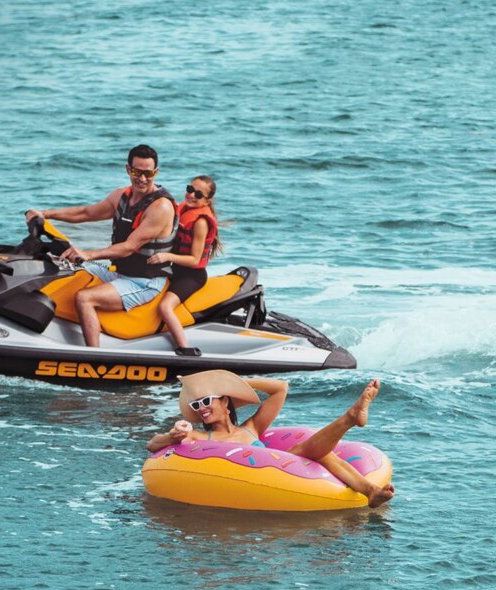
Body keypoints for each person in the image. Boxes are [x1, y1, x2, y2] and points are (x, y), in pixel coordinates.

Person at [146, 370, 396, 508]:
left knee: (312, 451)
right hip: (260, 478)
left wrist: (235, 383)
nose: (201, 408)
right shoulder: (199, 435)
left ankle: (370, 487)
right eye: (196, 405)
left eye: (206, 401)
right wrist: (172, 435)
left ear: (224, 400)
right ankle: (350, 421)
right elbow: (152, 445)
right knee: (309, 451)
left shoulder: (252, 428)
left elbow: (280, 388)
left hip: (290, 472)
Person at [25, 144, 177, 347]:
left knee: (84, 298)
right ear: (128, 169)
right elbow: (86, 213)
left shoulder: (161, 207)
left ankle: (93, 357)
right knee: (63, 266)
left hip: (145, 281)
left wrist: (88, 254)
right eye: (136, 172)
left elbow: (129, 247)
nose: (142, 178)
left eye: (148, 173)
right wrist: (46, 214)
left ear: (156, 172)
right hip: (119, 273)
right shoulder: (121, 196)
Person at [147, 175, 222, 356]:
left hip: (191, 276)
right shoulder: (184, 208)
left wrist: (165, 256)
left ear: (207, 200)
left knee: (164, 307)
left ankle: (185, 349)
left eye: (198, 194)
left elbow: (195, 260)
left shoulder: (201, 222)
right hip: (176, 269)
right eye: (190, 189)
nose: (191, 196)